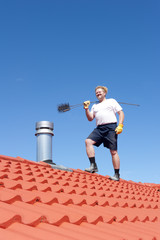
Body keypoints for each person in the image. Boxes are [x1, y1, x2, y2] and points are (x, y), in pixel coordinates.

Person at [83, 86, 124, 181]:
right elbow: (90, 119)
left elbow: (121, 113)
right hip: (99, 128)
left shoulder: (112, 101)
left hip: (111, 127)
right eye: (96, 92)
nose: (98, 93)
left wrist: (120, 125)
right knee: (88, 141)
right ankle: (93, 166)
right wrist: (86, 109)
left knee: (113, 152)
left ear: (104, 93)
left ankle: (117, 174)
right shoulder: (95, 105)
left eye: (99, 92)